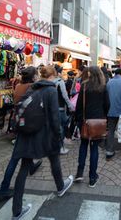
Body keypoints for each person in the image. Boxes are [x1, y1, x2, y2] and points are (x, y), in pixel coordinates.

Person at [11, 65, 74, 220]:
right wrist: (59, 136)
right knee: (54, 160)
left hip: (27, 135)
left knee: (23, 171)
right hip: (44, 135)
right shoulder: (51, 90)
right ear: (52, 76)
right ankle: (60, 187)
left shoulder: (32, 88)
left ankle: (17, 211)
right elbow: (54, 117)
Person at [0, 67, 42, 203]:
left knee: (21, 152)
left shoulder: (18, 86)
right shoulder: (33, 88)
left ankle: (31, 165)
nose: (38, 77)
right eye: (37, 75)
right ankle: (4, 190)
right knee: (15, 158)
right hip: (28, 125)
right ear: (33, 77)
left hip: (19, 124)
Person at [74, 66, 110, 187]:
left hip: (85, 121)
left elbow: (78, 106)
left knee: (83, 146)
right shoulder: (103, 87)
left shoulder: (84, 86)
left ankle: (79, 173)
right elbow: (107, 105)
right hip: (98, 122)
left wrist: (78, 120)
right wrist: (104, 116)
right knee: (94, 149)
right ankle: (92, 177)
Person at [106, 68, 121, 160]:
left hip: (110, 110)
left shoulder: (109, 82)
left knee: (110, 130)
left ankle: (109, 151)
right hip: (120, 109)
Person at [54, 65, 75, 154]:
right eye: (61, 72)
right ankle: (60, 147)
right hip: (60, 108)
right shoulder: (60, 82)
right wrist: (70, 106)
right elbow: (65, 96)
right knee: (62, 127)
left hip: (52, 108)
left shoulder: (50, 81)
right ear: (58, 73)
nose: (63, 74)